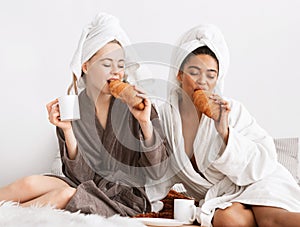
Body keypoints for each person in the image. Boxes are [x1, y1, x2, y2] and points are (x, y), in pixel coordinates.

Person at [0, 12, 167, 217]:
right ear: (86, 66)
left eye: (121, 65)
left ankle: (6, 219)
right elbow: (79, 176)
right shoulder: (74, 106)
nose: (116, 72)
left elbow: (157, 172)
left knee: (64, 195)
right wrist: (67, 130)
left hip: (122, 198)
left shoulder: (139, 105)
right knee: (30, 183)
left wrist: (145, 124)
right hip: (82, 183)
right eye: (107, 64)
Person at [146, 24, 300, 227]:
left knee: (271, 219)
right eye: (194, 72)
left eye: (211, 75)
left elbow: (266, 159)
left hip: (258, 181)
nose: (203, 81)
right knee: (227, 221)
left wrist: (225, 132)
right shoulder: (165, 117)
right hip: (222, 197)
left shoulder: (229, 110)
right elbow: (157, 166)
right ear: (179, 74)